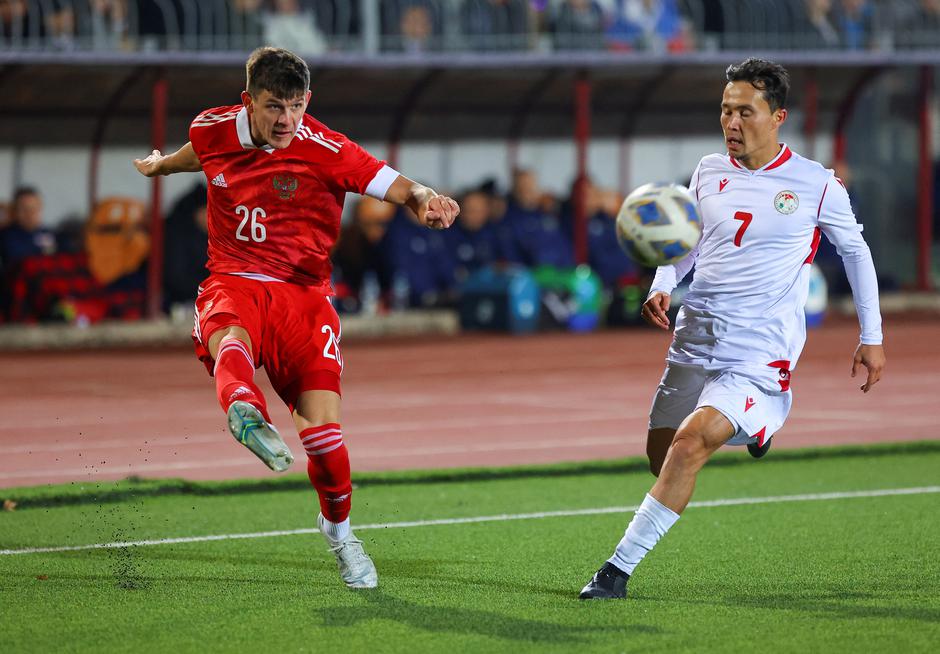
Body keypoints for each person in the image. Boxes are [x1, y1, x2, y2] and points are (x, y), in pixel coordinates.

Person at [133, 47, 459, 590]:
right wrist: (162, 164)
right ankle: (244, 409)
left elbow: (400, 185)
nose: (287, 120)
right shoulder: (213, 128)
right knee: (229, 339)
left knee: (326, 444)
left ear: (308, 102)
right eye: (274, 107)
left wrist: (426, 200)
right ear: (248, 103)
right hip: (234, 279)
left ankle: (340, 533)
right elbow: (200, 150)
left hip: (305, 299)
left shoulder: (327, 149)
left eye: (296, 106)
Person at [579, 58, 886, 600]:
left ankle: (615, 572)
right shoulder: (706, 170)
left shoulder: (815, 184)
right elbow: (686, 241)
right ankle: (755, 429)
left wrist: (872, 336)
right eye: (726, 110)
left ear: (778, 116)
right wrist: (662, 282)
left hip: (760, 349)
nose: (732, 122)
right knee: (661, 454)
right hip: (695, 336)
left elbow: (856, 253)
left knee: (692, 442)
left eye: (745, 111)